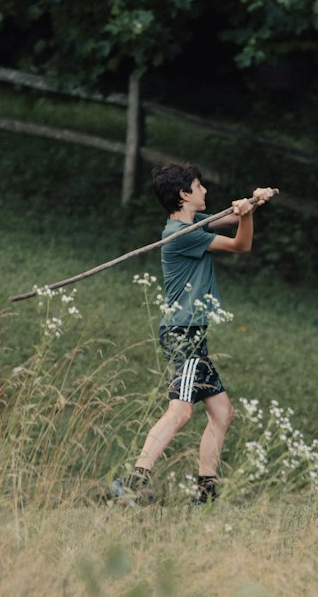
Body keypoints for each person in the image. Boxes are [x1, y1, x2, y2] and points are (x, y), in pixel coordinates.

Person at [111, 163, 276, 506]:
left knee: (222, 412)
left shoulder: (189, 225)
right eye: (199, 186)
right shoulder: (183, 235)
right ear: (184, 194)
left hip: (192, 334)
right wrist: (247, 217)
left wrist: (253, 202)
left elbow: (228, 216)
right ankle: (133, 481)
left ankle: (205, 492)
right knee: (181, 412)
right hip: (182, 333)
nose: (205, 191)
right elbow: (241, 244)